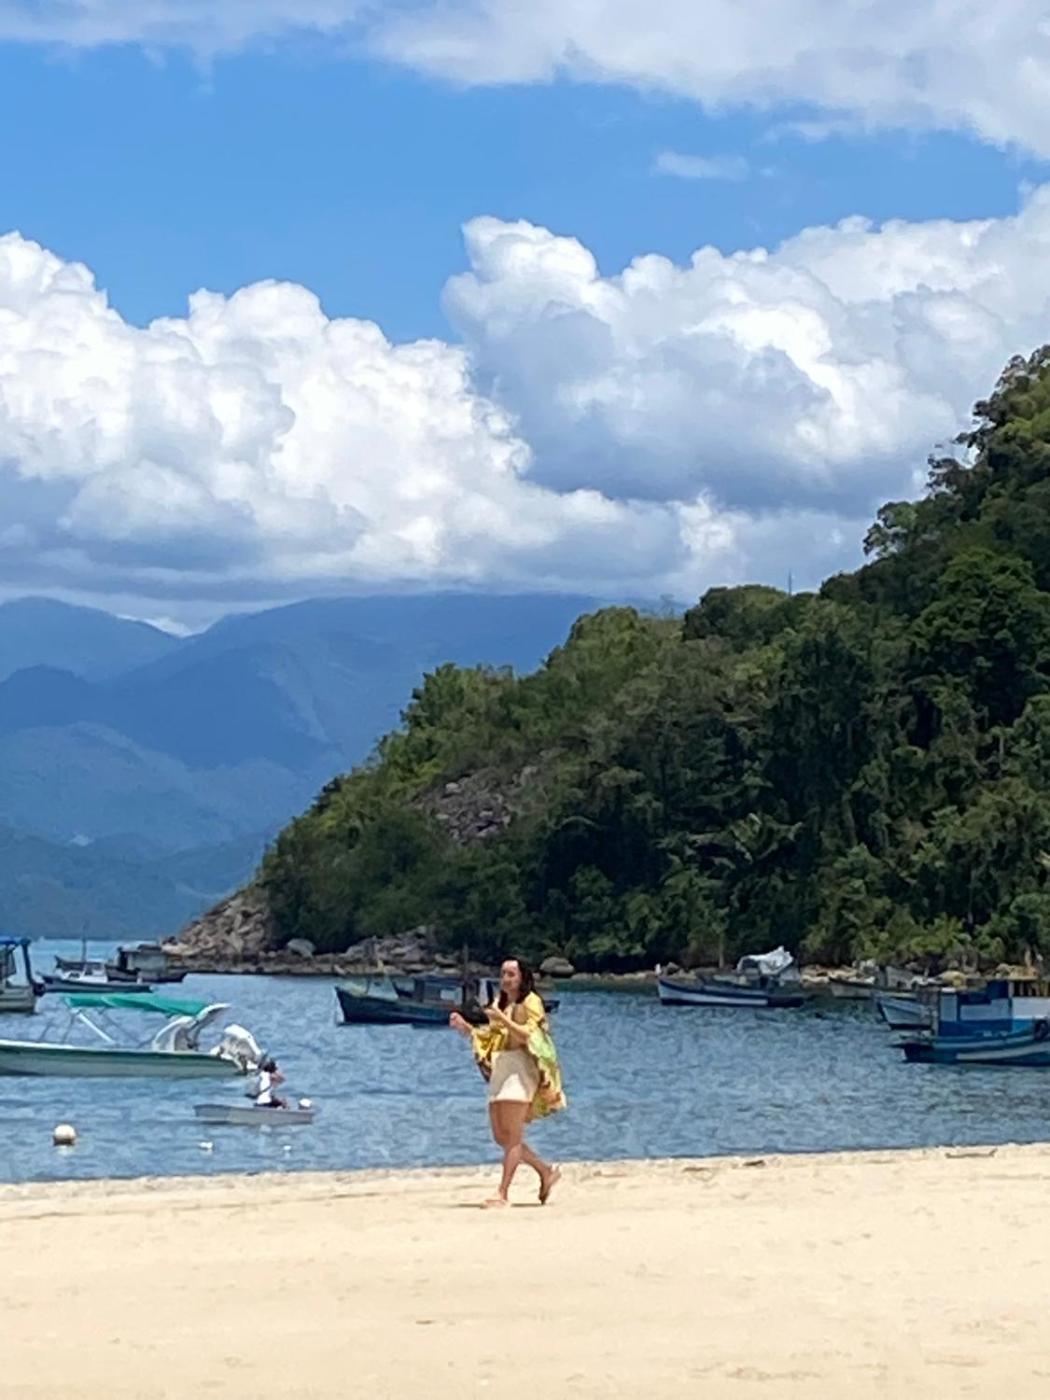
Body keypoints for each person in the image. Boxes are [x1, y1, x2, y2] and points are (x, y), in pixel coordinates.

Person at [449, 956, 566, 1208]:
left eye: (511, 974)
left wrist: (502, 1018)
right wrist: (467, 1028)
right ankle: (545, 1171)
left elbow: (529, 1036)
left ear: (522, 977)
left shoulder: (530, 1001)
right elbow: (492, 1037)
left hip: (522, 1069)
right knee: (500, 1135)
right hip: (503, 1067)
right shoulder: (500, 1003)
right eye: (503, 974)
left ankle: (502, 1193)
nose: (505, 979)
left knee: (512, 1135)